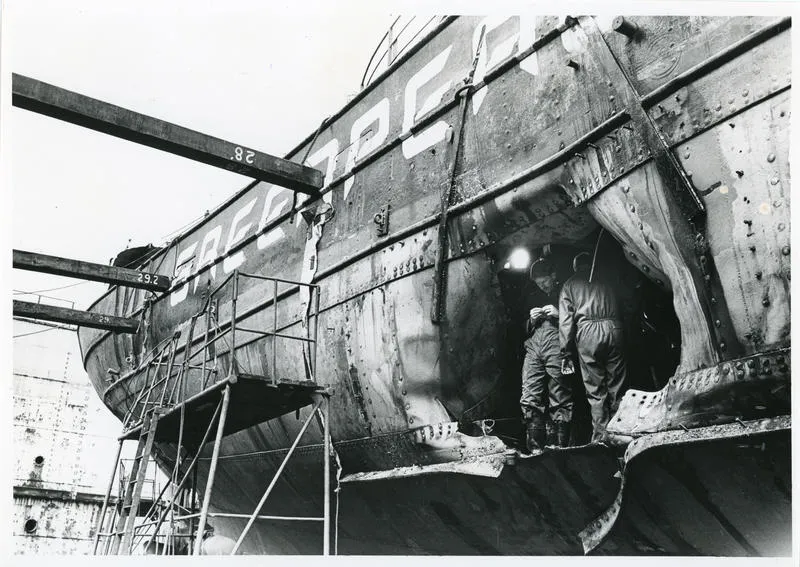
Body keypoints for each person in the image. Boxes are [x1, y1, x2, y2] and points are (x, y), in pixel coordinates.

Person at [559, 252, 627, 444]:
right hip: (614, 328)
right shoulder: (608, 277)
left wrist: (565, 351)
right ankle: (621, 433)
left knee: (596, 391)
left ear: (575, 267)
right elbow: (627, 300)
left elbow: (565, 322)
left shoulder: (569, 285)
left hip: (588, 332)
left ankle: (601, 439)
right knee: (618, 387)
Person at [520, 257, 573, 451]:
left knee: (559, 394)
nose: (541, 286)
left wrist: (560, 314)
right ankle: (534, 447)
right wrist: (531, 320)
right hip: (534, 348)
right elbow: (519, 328)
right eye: (538, 283)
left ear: (553, 276)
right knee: (529, 394)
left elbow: (580, 321)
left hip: (557, 346)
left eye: (544, 281)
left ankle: (559, 446)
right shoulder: (531, 296)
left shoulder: (565, 291)